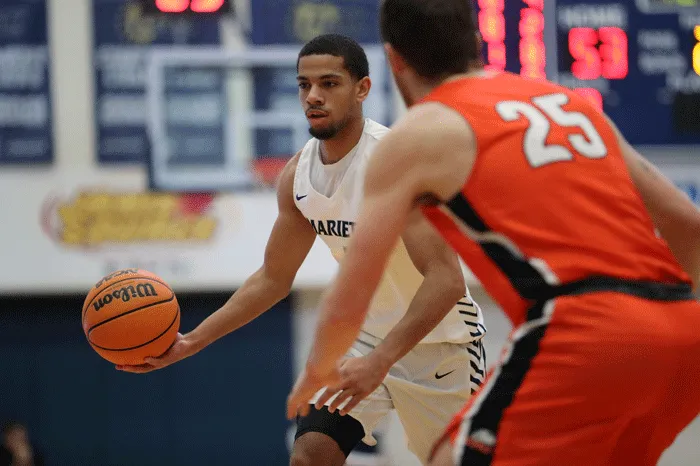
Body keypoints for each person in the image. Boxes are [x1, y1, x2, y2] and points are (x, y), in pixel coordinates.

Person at [286, 2, 700, 466]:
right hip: (685, 333)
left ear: (394, 59)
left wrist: (319, 367)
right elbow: (689, 226)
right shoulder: (565, 102)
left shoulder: (418, 133)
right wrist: (662, 321)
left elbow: (355, 284)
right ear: (475, 41)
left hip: (583, 327)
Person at [118, 33, 487, 466]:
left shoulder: (395, 161)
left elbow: (446, 280)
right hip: (362, 340)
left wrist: (382, 360)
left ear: (363, 89)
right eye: (304, 85)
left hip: (440, 346)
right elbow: (272, 279)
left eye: (329, 83)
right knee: (310, 455)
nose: (313, 96)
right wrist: (190, 342)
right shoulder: (298, 176)